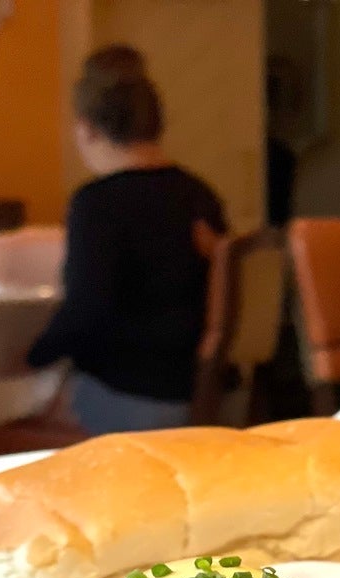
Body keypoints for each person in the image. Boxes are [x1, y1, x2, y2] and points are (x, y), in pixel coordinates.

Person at [27, 45, 227, 434]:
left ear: (85, 128)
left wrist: (30, 357)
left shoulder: (98, 204)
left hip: (133, 397)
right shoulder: (201, 195)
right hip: (204, 393)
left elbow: (85, 314)